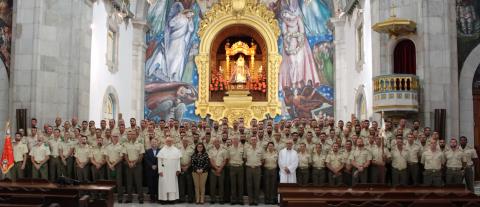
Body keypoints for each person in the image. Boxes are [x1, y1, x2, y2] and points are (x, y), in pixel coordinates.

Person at [157, 137, 182, 203]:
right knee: (164, 184)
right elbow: (159, 161)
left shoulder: (176, 150)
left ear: (172, 142)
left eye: (170, 141)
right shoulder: (162, 150)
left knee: (172, 185)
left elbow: (178, 161)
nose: (169, 142)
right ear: (165, 142)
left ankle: (172, 199)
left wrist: (178, 170)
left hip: (173, 171)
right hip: (164, 171)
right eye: (168, 141)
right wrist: (160, 170)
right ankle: (164, 199)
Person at [124, 130, 145, 203]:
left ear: (136, 135)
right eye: (131, 134)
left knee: (138, 182)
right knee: (129, 183)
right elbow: (125, 155)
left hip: (137, 165)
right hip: (128, 165)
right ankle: (129, 198)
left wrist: (134, 163)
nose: (132, 135)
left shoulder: (140, 144)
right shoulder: (126, 144)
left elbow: (141, 156)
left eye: (134, 134)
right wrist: (129, 163)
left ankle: (141, 198)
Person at [105, 134, 125, 202]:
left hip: (117, 165)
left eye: (116, 136)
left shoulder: (120, 146)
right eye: (114, 136)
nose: (115, 138)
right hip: (109, 165)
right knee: (110, 182)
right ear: (111, 137)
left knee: (119, 181)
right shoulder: (108, 146)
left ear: (118, 137)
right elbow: (106, 157)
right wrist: (110, 165)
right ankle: (111, 197)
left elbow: (121, 157)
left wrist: (113, 164)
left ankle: (120, 198)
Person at [244, 136, 264, 205]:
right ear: (250, 141)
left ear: (257, 140)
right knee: (249, 185)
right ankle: (250, 200)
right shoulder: (247, 149)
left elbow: (263, 159)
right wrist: (250, 164)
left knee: (257, 185)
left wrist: (258, 164)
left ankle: (256, 200)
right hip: (249, 169)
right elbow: (245, 159)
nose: (253, 141)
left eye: (255, 140)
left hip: (257, 169)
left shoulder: (260, 149)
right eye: (252, 140)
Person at [208, 138, 227, 204]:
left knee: (221, 185)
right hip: (213, 169)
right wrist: (216, 168)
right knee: (213, 185)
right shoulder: (211, 150)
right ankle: (212, 199)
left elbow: (225, 160)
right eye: (215, 141)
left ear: (220, 142)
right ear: (213, 143)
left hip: (221, 169)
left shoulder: (224, 150)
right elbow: (211, 161)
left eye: (217, 141)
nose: (216, 142)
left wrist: (220, 169)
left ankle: (221, 199)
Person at [227, 136, 245, 205]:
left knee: (240, 184)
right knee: (233, 184)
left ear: (238, 141)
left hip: (240, 168)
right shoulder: (229, 148)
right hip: (232, 168)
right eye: (234, 139)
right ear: (232, 141)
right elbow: (228, 158)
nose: (235, 141)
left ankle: (240, 200)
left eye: (236, 139)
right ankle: (233, 200)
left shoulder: (242, 148)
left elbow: (244, 158)